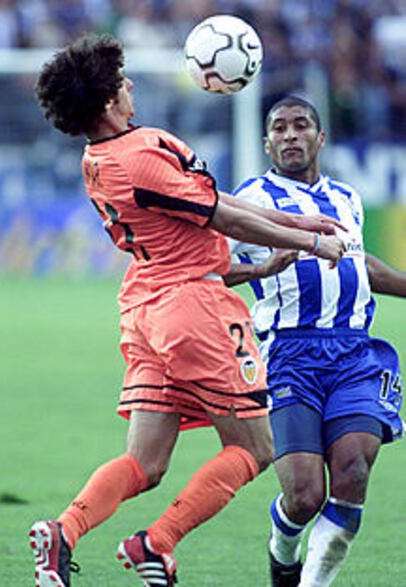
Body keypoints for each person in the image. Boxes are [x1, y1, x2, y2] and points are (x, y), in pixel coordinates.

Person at [30, 36, 346, 587]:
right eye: (121, 81)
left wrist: (296, 225)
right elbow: (221, 216)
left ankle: (64, 532)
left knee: (146, 464)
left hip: (145, 307)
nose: (130, 86)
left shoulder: (97, 158)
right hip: (194, 310)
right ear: (106, 101)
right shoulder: (139, 159)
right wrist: (315, 242)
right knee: (254, 447)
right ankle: (158, 541)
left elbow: (210, 199)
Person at [227, 95, 404, 587]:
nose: (290, 135)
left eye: (301, 125)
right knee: (304, 497)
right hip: (289, 355)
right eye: (279, 128)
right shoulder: (250, 201)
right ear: (266, 143)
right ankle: (282, 546)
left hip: (354, 352)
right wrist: (260, 268)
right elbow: (210, 268)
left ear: (320, 138)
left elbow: (360, 266)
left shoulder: (346, 198)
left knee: (353, 475)